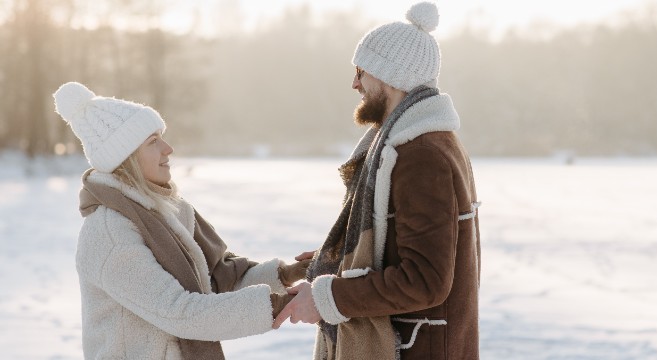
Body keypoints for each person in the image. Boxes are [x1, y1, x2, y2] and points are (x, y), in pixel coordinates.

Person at [273, 2, 481, 359]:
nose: (355, 83)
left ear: (390, 76)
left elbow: (425, 280)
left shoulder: (422, 155)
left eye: (361, 71)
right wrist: (338, 263)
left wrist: (329, 298)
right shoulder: (414, 143)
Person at [53, 81, 309, 359]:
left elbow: (218, 279)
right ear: (126, 159)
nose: (168, 148)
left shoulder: (172, 212)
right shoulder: (109, 233)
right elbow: (180, 312)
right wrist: (281, 304)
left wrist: (293, 272)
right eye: (153, 142)